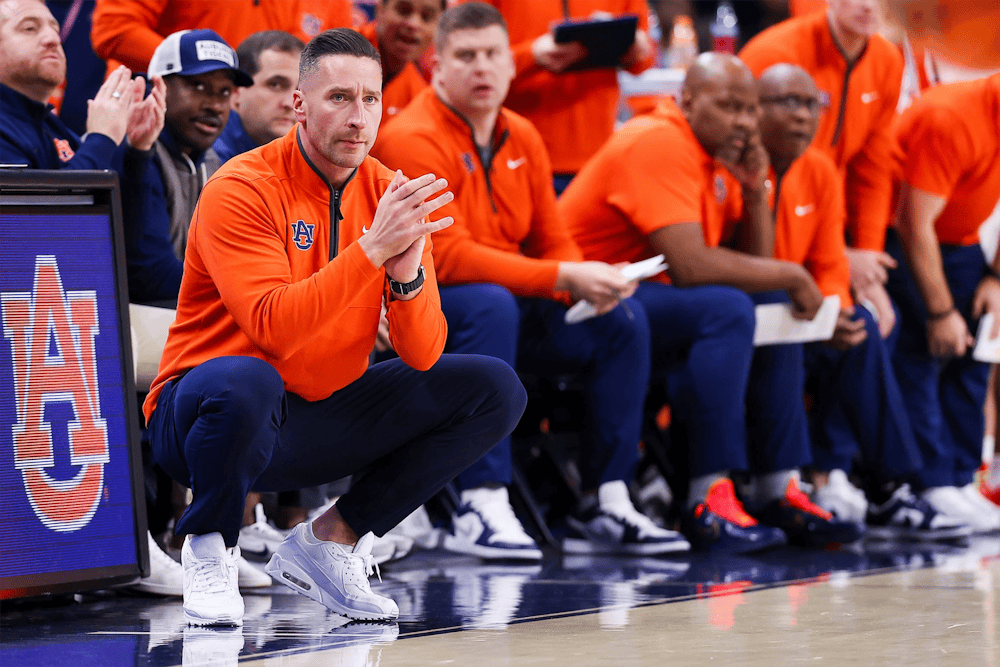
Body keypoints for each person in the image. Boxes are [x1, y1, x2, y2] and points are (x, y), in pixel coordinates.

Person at [142, 27, 527, 626]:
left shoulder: (387, 195)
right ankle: (210, 548)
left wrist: (405, 275)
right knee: (249, 379)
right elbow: (273, 328)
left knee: (492, 388)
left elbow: (422, 353)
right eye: (339, 98)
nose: (358, 117)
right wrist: (372, 252)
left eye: (370, 99)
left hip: (312, 420)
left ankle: (333, 541)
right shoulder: (241, 187)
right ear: (299, 105)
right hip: (200, 423)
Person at [374, 2, 690, 559]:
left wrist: (585, 284)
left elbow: (552, 237)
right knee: (491, 303)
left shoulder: (521, 134)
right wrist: (562, 274)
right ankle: (481, 499)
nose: (482, 68)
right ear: (436, 66)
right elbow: (445, 258)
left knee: (620, 319)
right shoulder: (410, 137)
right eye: (465, 56)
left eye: (493, 54)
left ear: (511, 65)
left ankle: (608, 497)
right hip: (421, 308)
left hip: (506, 303)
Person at [560, 52, 862, 550]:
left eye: (749, 110)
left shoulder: (717, 160)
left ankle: (776, 486)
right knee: (728, 310)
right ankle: (707, 495)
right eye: (728, 107)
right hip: (578, 305)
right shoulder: (660, 140)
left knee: (765, 312)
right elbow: (691, 266)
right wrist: (792, 273)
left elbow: (750, 271)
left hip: (639, 304)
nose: (744, 122)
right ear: (687, 101)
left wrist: (755, 192)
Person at [755, 64, 970, 540]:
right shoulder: (739, 168)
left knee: (859, 327)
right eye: (788, 102)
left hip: (800, 307)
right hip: (753, 310)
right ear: (756, 110)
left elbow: (831, 264)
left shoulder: (820, 170)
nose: (802, 116)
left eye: (812, 105)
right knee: (803, 333)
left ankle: (891, 487)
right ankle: (790, 482)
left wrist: (834, 311)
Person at [740, 0, 905, 341]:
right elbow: (749, 161)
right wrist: (845, 259)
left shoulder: (887, 59)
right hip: (765, 222)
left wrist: (868, 259)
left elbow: (873, 168)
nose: (867, 5)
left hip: (827, 221)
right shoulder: (775, 53)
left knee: (876, 322)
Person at [888, 73, 1000, 533]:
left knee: (977, 350)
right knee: (925, 350)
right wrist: (939, 311)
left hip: (962, 240)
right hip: (902, 237)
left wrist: (995, 276)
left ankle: (958, 476)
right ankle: (928, 482)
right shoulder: (951, 117)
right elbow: (913, 223)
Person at [119, 29, 252, 306]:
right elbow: (149, 275)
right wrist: (251, 283)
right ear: (158, 87)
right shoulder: (132, 152)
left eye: (224, 92)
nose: (215, 105)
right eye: (198, 86)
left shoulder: (219, 164)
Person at [472, 0, 655, 194]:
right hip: (514, 155)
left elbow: (645, 59)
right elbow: (462, 64)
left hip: (599, 154)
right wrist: (530, 55)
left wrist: (637, 47)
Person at [0, 0, 162, 169]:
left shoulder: (52, 128)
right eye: (30, 28)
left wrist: (136, 152)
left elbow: (107, 194)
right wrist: (102, 137)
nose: (53, 39)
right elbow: (56, 195)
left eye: (55, 29)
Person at [90, 0, 352, 74]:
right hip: (162, 124)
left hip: (276, 136)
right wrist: (206, 71)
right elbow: (114, 29)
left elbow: (340, 66)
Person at [214, 31, 305, 163]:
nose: (291, 104)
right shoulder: (207, 158)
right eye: (275, 85)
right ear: (235, 93)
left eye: (301, 90)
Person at [359, 0, 445, 129]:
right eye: (403, 11)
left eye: (426, 17)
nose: (414, 24)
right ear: (380, 10)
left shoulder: (417, 97)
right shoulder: (336, 54)